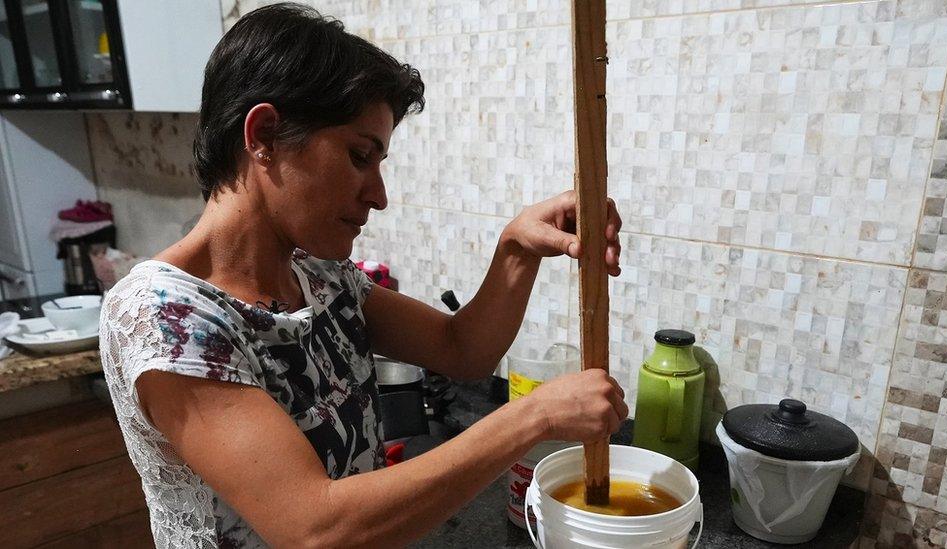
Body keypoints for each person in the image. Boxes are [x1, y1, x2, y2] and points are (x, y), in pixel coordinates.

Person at [99, 4, 626, 547]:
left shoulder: (319, 276)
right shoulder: (166, 317)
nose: (379, 195)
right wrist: (532, 418)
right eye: (359, 156)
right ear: (265, 136)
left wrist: (517, 248)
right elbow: (316, 529)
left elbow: (462, 348)